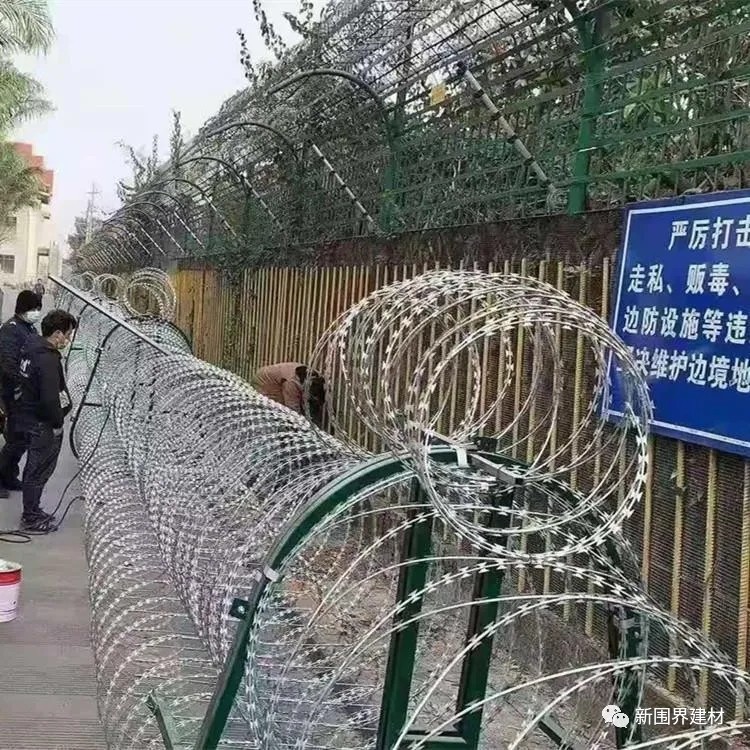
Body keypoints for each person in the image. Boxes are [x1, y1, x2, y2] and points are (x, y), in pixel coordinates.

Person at [14, 309, 76, 531]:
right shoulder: (47, 359)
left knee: (34, 469)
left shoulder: (32, 348)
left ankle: (33, 510)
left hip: (30, 418)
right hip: (43, 424)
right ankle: (31, 517)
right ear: (57, 333)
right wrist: (57, 424)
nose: (67, 340)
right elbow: (50, 398)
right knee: (38, 471)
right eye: (67, 335)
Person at [0, 290, 43, 496]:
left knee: (23, 437)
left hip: (25, 394)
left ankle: (9, 475)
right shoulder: (10, 330)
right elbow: (8, 364)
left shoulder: (29, 328)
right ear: (23, 308)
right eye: (34, 309)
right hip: (11, 393)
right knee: (15, 438)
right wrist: (23, 383)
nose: (37, 313)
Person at [251, 362, 326, 427]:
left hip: (277, 378)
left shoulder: (318, 378)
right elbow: (292, 408)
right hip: (265, 381)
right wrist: (303, 424)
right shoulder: (292, 383)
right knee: (278, 409)